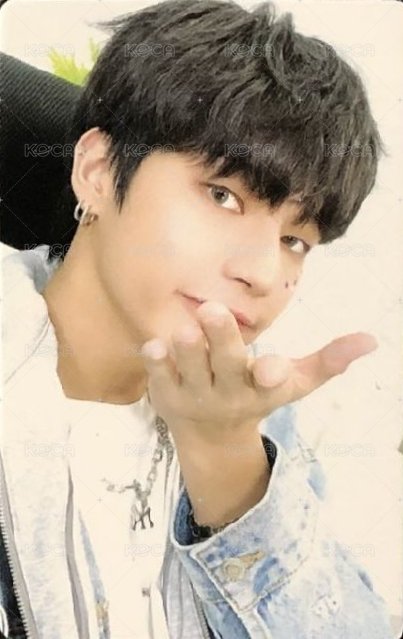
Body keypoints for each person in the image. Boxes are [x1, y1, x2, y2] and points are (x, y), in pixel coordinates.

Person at [0, 0, 395, 637]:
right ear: (97, 172)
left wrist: (228, 468)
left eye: (295, 240)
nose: (262, 272)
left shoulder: (258, 425)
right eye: (223, 195)